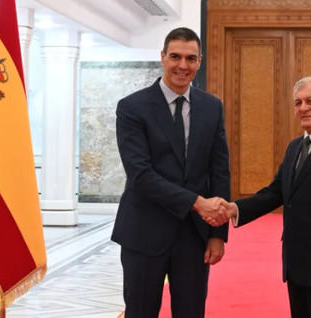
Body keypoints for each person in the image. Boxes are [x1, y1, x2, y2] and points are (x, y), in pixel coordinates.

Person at [214, 76, 311, 318]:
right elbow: (276, 192)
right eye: (297, 103)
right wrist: (235, 209)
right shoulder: (294, 147)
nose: (303, 108)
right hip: (297, 267)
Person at [112, 27, 230, 318]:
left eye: (191, 58)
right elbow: (141, 175)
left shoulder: (212, 107)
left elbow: (219, 171)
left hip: (194, 236)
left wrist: (218, 234)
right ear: (163, 57)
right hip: (143, 232)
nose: (183, 65)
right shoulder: (131, 107)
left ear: (199, 61)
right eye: (175, 56)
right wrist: (197, 202)